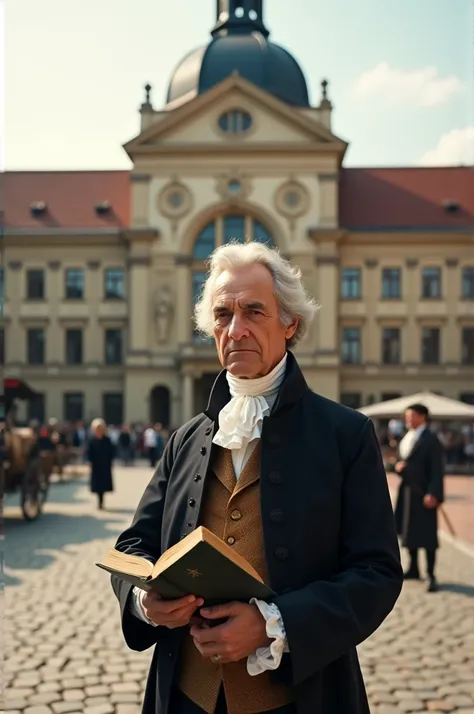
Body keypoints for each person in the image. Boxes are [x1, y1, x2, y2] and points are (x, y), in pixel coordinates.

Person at [111, 242, 403, 714]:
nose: (236, 329)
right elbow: (133, 547)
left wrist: (276, 623)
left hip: (300, 697)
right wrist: (144, 600)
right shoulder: (186, 438)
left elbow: (377, 573)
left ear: (290, 323)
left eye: (254, 311)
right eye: (222, 315)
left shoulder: (346, 434)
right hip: (185, 696)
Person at [394, 404, 444, 593]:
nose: (408, 419)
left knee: (428, 535)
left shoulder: (430, 439)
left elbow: (438, 470)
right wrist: (398, 467)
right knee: (409, 532)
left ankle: (431, 573)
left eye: (412, 416)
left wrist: (434, 493)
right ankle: (413, 568)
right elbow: (404, 462)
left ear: (423, 417)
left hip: (424, 494)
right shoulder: (406, 437)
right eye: (407, 416)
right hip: (407, 492)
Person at [87, 418, 115, 510]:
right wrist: (89, 462)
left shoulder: (107, 440)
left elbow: (111, 452)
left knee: (103, 484)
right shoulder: (92, 440)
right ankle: (99, 501)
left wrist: (111, 462)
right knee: (97, 484)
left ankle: (101, 502)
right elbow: (89, 452)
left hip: (105, 465)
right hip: (96, 465)